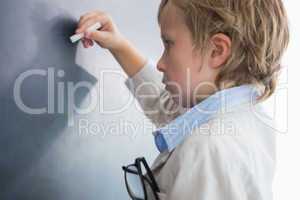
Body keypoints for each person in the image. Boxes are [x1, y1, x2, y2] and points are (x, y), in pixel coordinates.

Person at [75, 0, 289, 199]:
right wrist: (119, 45)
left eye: (168, 44)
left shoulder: (209, 150)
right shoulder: (246, 116)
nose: (160, 63)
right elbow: (168, 107)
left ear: (216, 50)